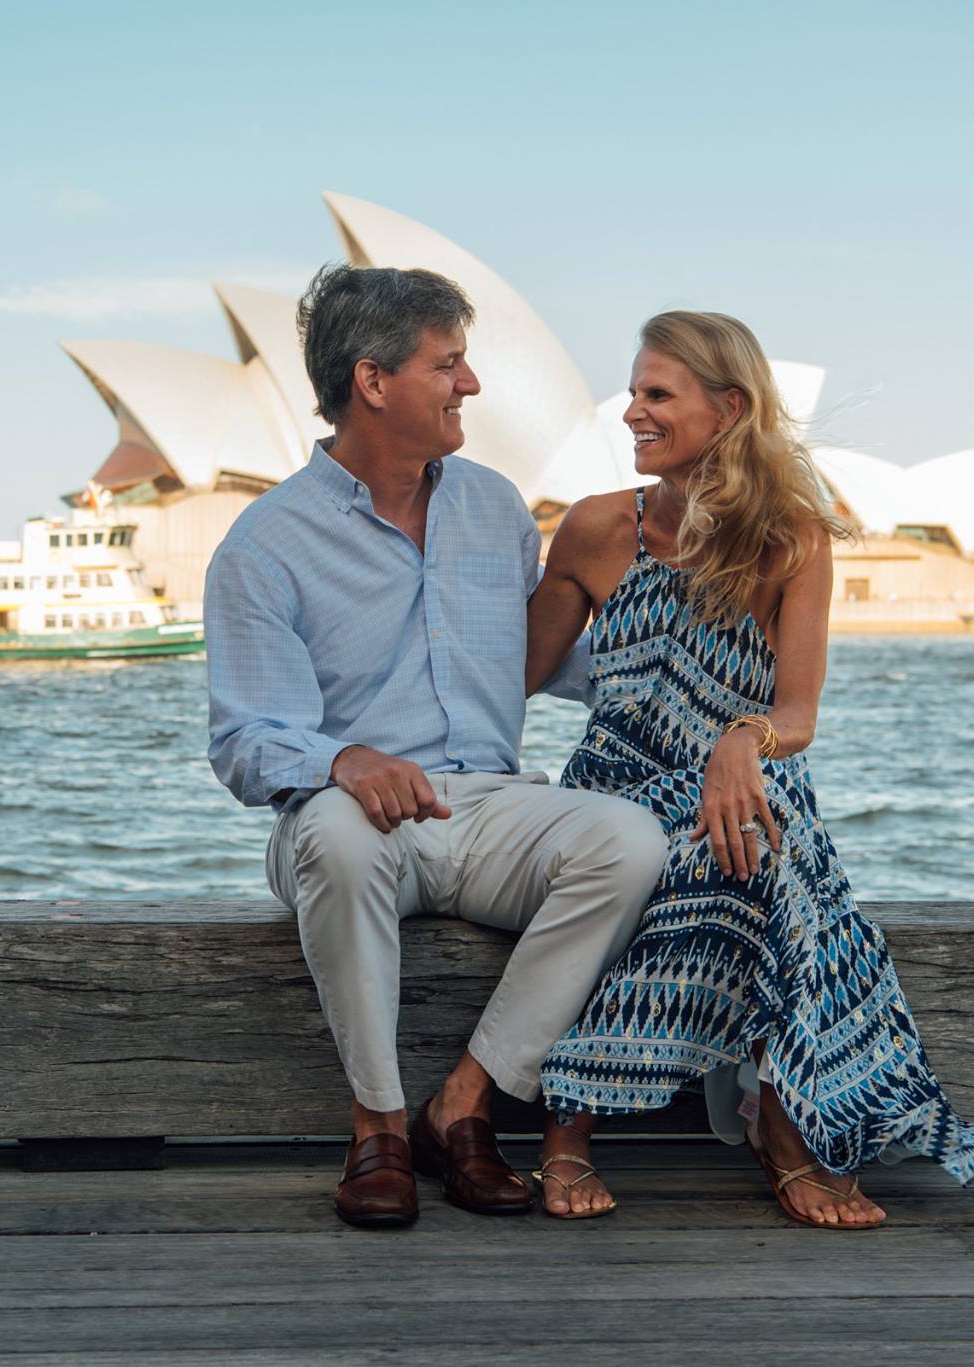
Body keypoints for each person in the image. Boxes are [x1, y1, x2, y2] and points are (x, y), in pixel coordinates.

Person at [205, 264, 670, 1229]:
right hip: (356, 823)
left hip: (492, 804)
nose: (472, 385)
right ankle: (376, 1122)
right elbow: (245, 741)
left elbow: (557, 661)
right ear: (374, 382)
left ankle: (462, 1104)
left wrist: (707, 669)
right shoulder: (263, 545)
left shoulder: (495, 508)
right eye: (448, 364)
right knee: (335, 831)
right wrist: (343, 760)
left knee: (629, 842)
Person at [526, 310, 974, 1226]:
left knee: (751, 831)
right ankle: (783, 1132)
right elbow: (508, 675)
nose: (631, 410)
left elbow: (798, 714)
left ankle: (577, 1123)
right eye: (633, 390)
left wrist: (740, 741)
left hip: (745, 782)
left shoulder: (792, 538)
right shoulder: (593, 530)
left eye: (656, 393)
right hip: (614, 792)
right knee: (750, 846)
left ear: (729, 409)